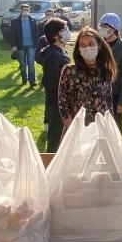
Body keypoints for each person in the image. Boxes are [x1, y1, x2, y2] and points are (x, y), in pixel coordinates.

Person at [58, 26, 117, 129]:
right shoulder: (69, 71)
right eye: (83, 45)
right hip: (76, 127)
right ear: (79, 49)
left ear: (99, 46)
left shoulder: (104, 71)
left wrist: (110, 125)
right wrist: (68, 122)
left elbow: (108, 100)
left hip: (99, 127)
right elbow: (62, 100)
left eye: (91, 44)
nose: (87, 48)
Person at [36, 17, 71, 152]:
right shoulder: (53, 56)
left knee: (63, 138)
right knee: (55, 139)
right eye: (64, 29)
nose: (68, 31)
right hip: (57, 103)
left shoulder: (61, 51)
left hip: (63, 102)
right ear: (56, 35)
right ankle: (50, 167)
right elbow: (53, 84)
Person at [98, 12, 122, 137]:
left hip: (114, 95)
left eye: (104, 26)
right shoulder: (98, 44)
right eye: (100, 25)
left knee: (116, 128)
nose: (101, 29)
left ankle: (119, 155)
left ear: (114, 29)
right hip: (98, 93)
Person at [10, 4, 39, 89]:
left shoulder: (33, 20)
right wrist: (13, 45)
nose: (25, 11)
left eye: (27, 9)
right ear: (20, 11)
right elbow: (12, 35)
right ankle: (24, 79)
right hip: (20, 46)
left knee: (31, 63)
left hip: (31, 46)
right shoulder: (15, 22)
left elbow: (36, 34)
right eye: (23, 10)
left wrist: (37, 44)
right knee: (22, 64)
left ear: (29, 11)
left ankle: (32, 81)